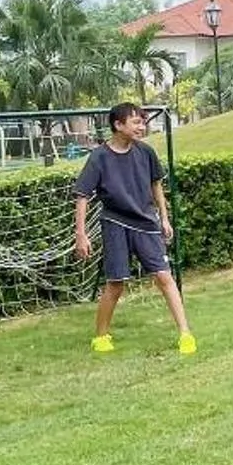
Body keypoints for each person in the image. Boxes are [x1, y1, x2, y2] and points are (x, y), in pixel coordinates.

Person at [73, 103, 196, 356]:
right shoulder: (99, 157)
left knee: (164, 277)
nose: (142, 127)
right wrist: (81, 234)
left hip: (146, 223)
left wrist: (164, 219)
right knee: (116, 284)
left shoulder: (146, 152)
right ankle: (101, 336)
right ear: (118, 125)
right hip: (115, 223)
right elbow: (82, 196)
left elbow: (156, 186)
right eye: (136, 122)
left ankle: (186, 334)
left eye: (143, 122)